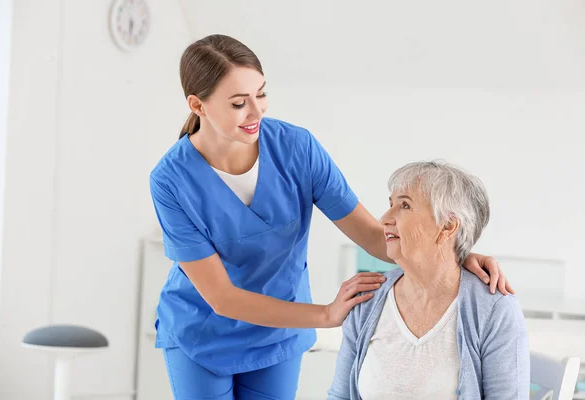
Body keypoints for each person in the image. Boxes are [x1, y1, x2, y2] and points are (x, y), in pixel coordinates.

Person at [149, 34, 512, 400]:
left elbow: (374, 237)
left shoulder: (297, 149)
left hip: (279, 332)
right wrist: (326, 315)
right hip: (204, 332)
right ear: (198, 105)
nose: (258, 112)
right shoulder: (170, 180)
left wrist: (454, 254)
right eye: (239, 103)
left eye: (261, 94)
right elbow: (223, 298)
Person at [328, 161, 529, 400]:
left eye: (404, 205)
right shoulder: (367, 299)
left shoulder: (494, 310)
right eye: (390, 204)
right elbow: (339, 396)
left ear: (447, 226)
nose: (384, 219)